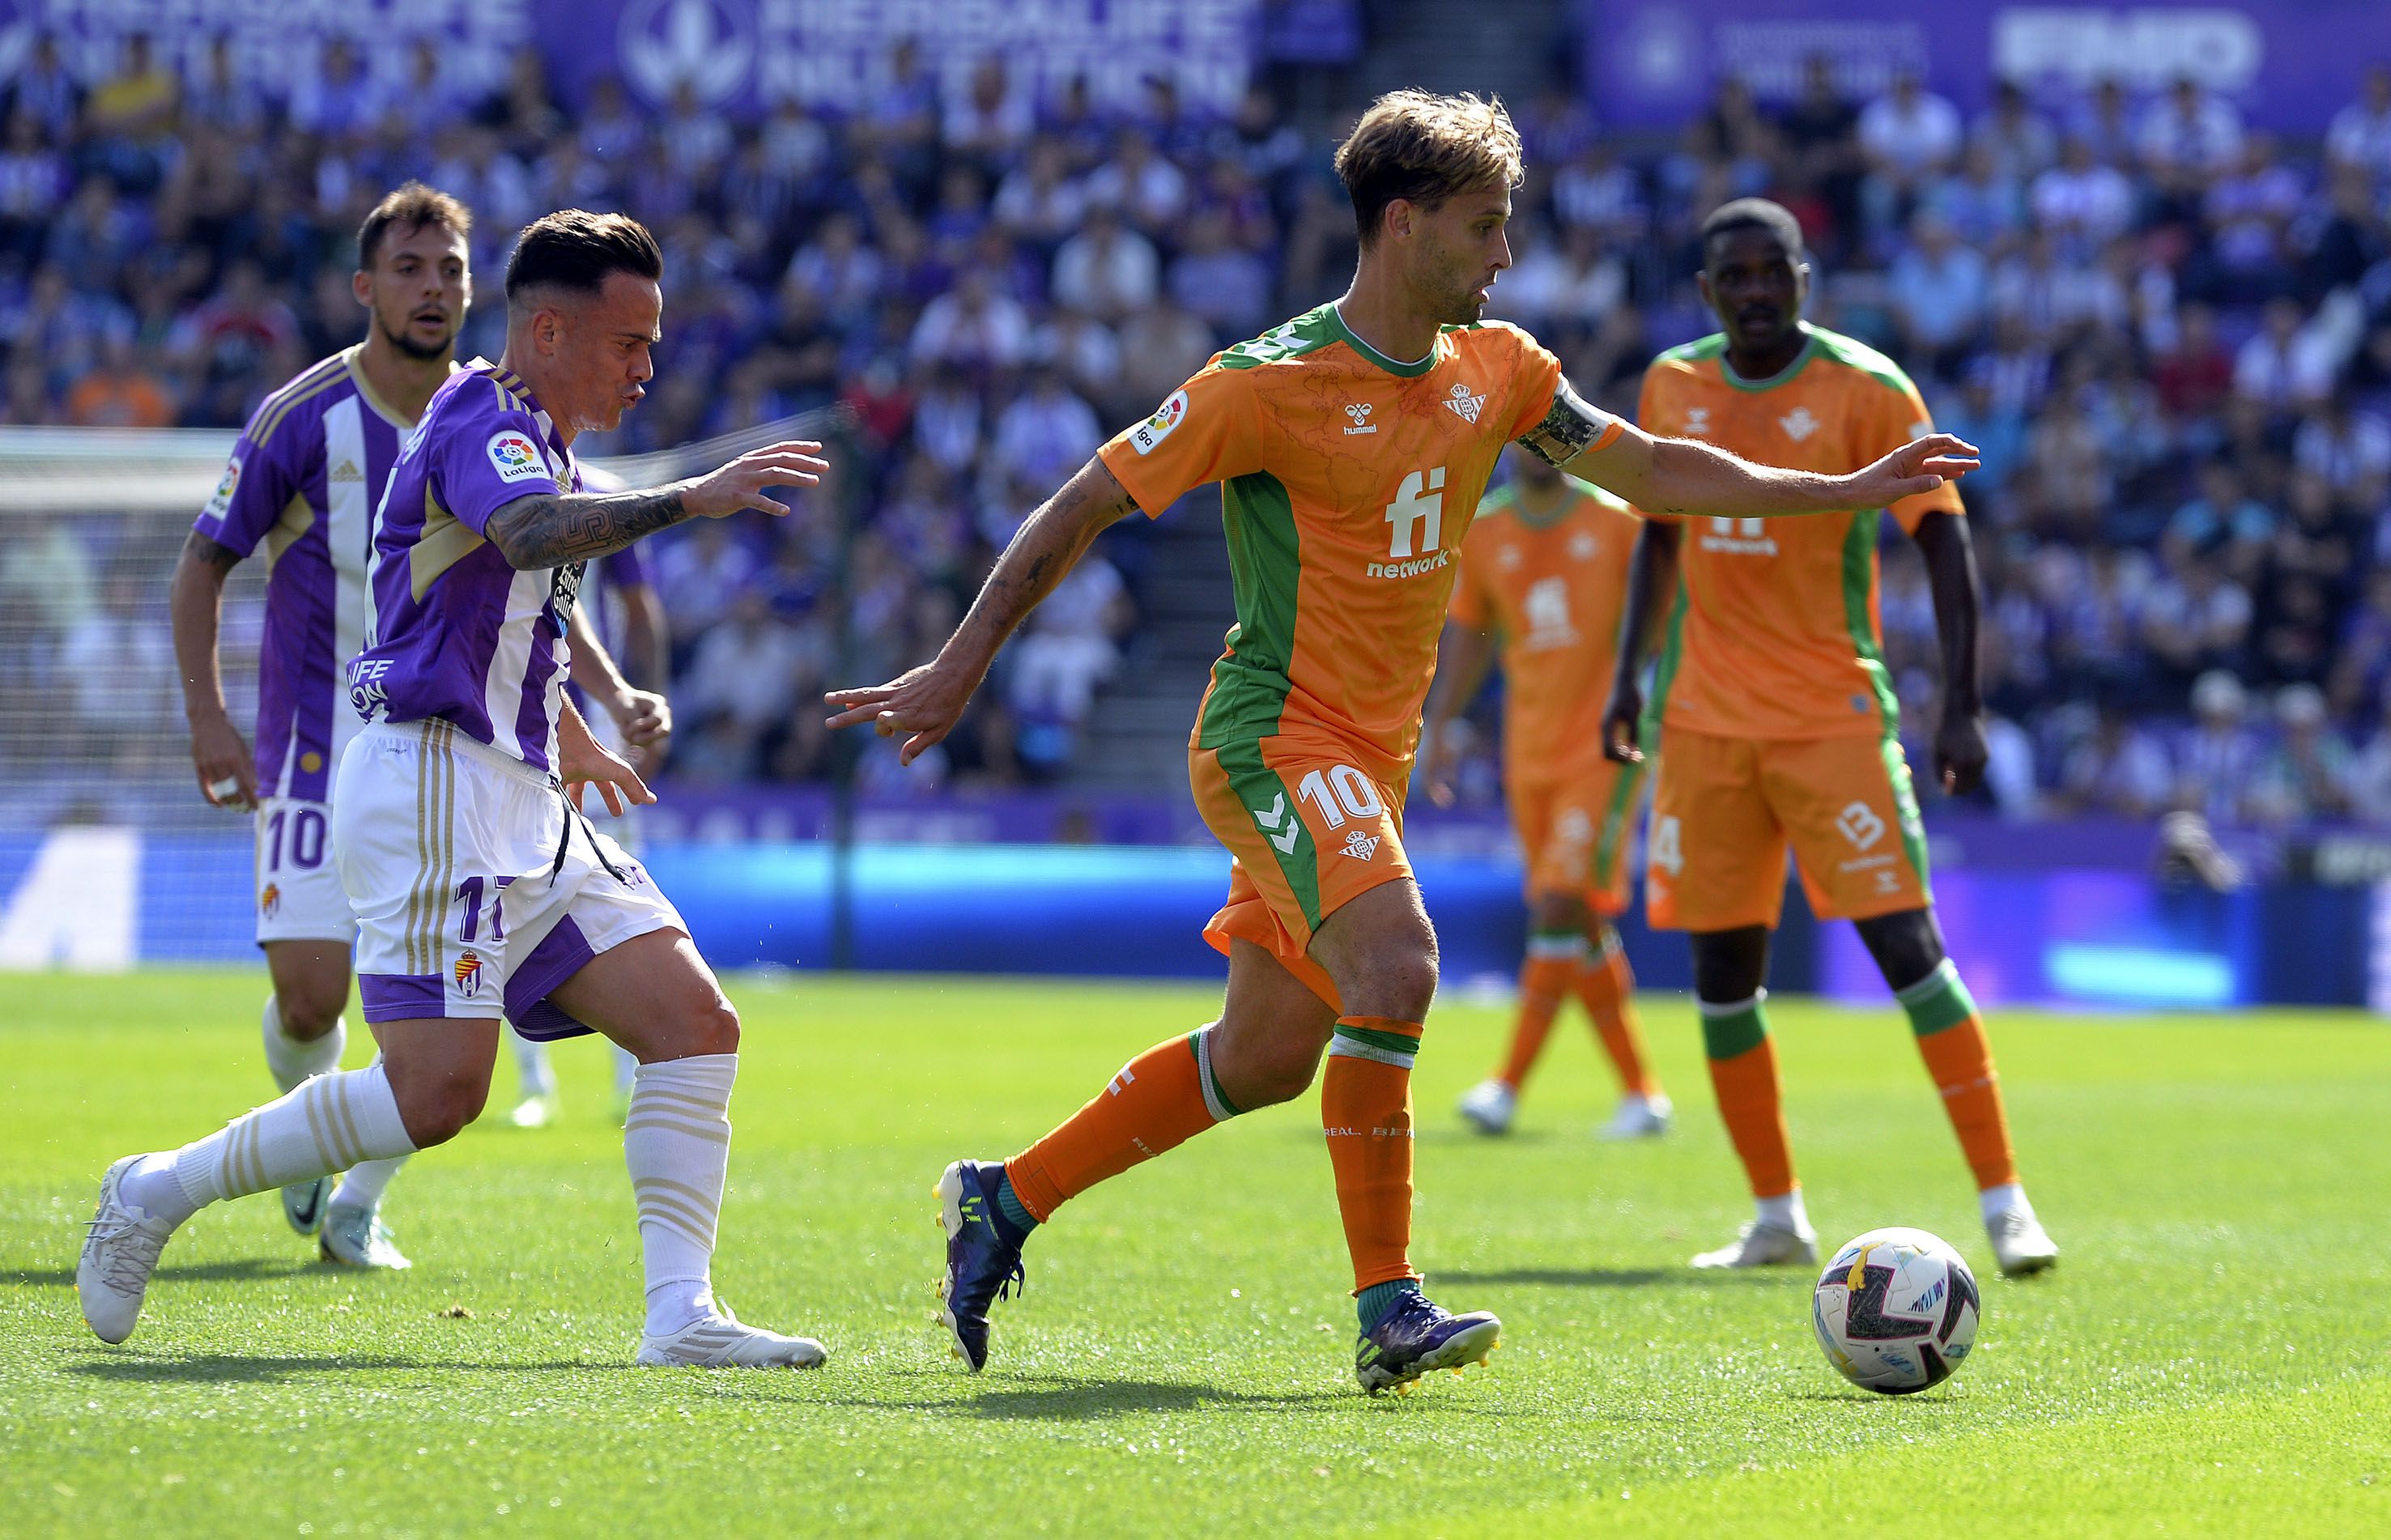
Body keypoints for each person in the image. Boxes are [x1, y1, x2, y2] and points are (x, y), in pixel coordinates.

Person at [824, 92, 1978, 1394]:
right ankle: (1390, 1308)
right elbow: (1082, 502)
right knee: (1400, 960)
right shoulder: (1265, 384)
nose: (1502, 257)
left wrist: (1835, 491)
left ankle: (1002, 1200)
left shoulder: (1499, 369)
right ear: (1401, 223)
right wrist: (957, 666)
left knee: (1261, 1058)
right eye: (1484, 229)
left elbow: (1651, 469)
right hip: (1272, 736)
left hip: (1361, 759)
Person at [83, 211, 832, 1369]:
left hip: (518, 788)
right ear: (547, 328)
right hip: (434, 787)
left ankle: (679, 1312)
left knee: (693, 1023)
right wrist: (690, 497)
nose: (649, 366)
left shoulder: (540, 433)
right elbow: (529, 539)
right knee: (435, 1096)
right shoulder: (489, 420)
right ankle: (157, 1187)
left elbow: (499, 618)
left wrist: (572, 730)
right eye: (631, 341)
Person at [1599, 198, 2058, 1278]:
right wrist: (1626, 677)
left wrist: (1962, 701)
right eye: (1735, 276)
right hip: (1704, 724)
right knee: (1722, 972)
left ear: (1805, 279)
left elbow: (1943, 540)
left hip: (1830, 717)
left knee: (1908, 949)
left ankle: (2004, 1203)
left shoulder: (1866, 387)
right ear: (1707, 292)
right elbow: (1658, 539)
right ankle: (1774, 1215)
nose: (1757, 290)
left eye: (1776, 271)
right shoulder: (1672, 385)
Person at [166, 184, 477, 1270]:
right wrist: (208, 716)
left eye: (449, 270)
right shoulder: (301, 417)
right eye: (409, 268)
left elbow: (537, 569)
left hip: (446, 753)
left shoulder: (489, 418)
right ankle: (304, 1138)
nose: (431, 288)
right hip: (309, 746)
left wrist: (605, 694)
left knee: (434, 1017)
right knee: (309, 998)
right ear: (365, 287)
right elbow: (202, 563)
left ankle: (357, 1204)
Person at [1420, 447, 1670, 1140]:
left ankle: (1505, 1087)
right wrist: (1441, 723)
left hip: (1604, 748)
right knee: (1576, 922)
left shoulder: (1616, 522)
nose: (1537, 447)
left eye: (1547, 433)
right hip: (1527, 754)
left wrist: (1653, 695)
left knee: (1560, 902)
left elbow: (1666, 611)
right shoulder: (1488, 532)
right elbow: (1471, 636)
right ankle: (1641, 1095)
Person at [505, 465, 674, 1129]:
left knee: (623, 889)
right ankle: (533, 1084)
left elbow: (639, 608)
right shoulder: (502, 483)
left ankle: (632, 1076)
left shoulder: (607, 495)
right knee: (511, 891)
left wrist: (647, 705)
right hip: (516, 720)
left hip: (597, 720)